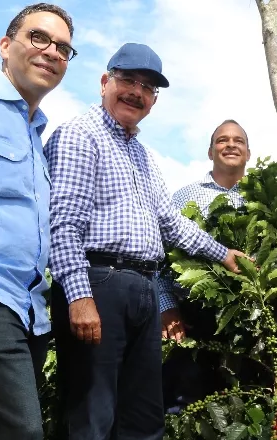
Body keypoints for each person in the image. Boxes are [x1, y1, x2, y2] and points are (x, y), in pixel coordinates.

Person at [44, 44, 246, 440]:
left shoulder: (144, 155)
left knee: (143, 418)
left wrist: (225, 255)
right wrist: (79, 296)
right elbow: (63, 223)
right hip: (99, 283)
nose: (137, 91)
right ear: (105, 82)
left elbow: (170, 224)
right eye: (128, 80)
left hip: (143, 289)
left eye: (148, 87)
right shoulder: (79, 136)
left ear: (153, 101)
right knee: (93, 415)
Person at [159, 119, 277, 410]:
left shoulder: (269, 198)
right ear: (210, 152)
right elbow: (161, 258)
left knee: (252, 405)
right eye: (222, 140)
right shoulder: (185, 196)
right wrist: (166, 305)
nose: (230, 145)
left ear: (248, 152)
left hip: (258, 324)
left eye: (238, 141)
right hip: (195, 318)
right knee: (186, 404)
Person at [0, 3, 76, 440]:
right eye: (39, 38)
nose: (51, 52)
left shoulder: (37, 132)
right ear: (5, 46)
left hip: (30, 312)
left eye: (63, 47)